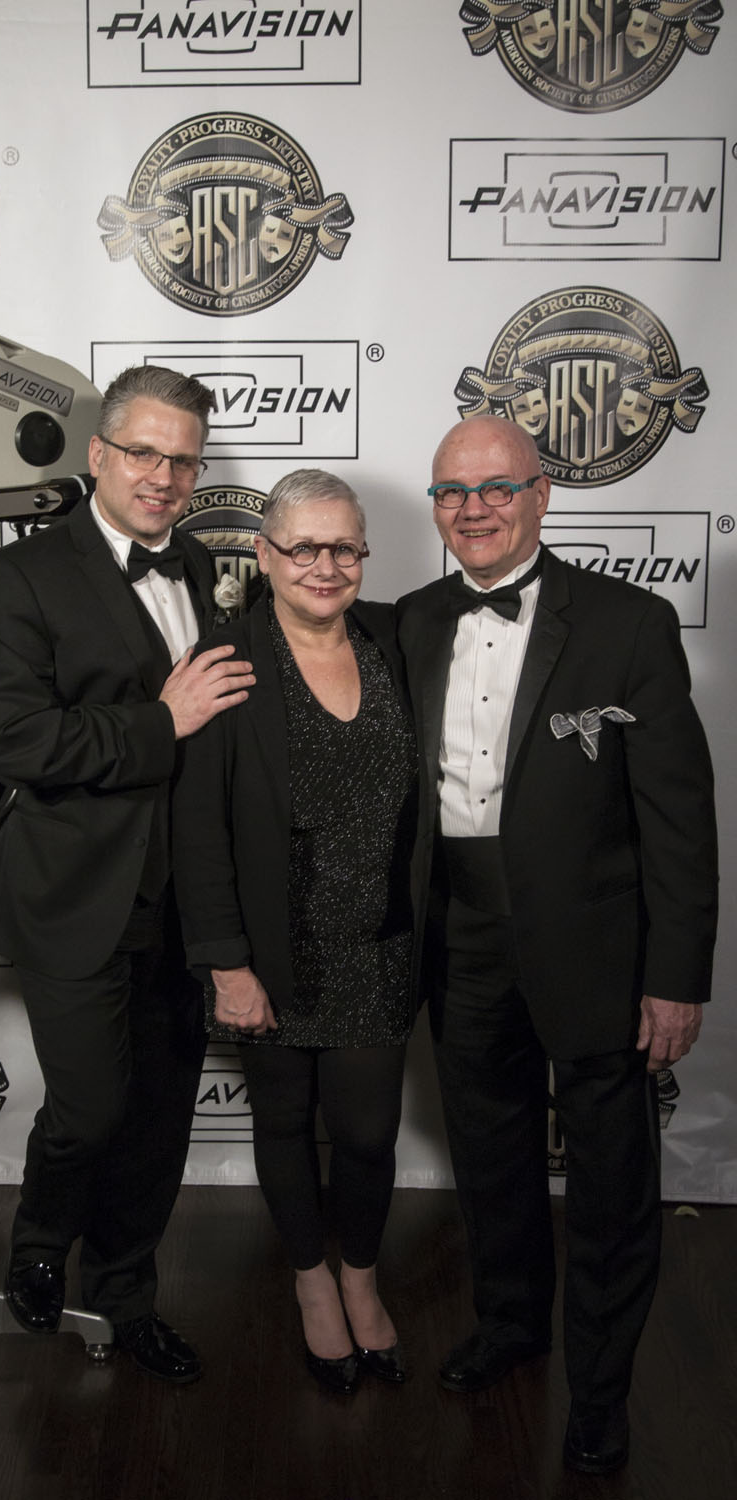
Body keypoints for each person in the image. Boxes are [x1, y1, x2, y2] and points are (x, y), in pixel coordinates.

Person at [396, 415, 717, 1473]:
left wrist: (674, 980)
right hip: (458, 931)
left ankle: (603, 1393)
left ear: (542, 495)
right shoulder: (404, 622)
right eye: (450, 492)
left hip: (594, 947)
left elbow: (677, 818)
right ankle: (511, 1326)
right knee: (488, 1156)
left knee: (614, 1180)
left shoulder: (630, 623)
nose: (472, 509)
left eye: (494, 488)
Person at [0, 365, 255, 1382]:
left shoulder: (209, 565)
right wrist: (157, 723)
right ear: (97, 453)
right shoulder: (23, 576)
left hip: (188, 901)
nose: (165, 476)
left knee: (161, 1117)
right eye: (145, 452)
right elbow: (10, 741)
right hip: (75, 894)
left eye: (184, 459)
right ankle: (41, 1242)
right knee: (91, 1106)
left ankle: (126, 1295)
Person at [173, 470, 422, 1394]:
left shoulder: (397, 641)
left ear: (363, 554)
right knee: (282, 1121)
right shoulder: (225, 662)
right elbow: (198, 833)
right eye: (303, 547)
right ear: (266, 556)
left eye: (344, 547)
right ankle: (313, 1284)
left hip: (379, 944)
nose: (326, 565)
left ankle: (361, 1275)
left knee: (366, 1132)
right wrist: (228, 964)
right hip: (275, 950)